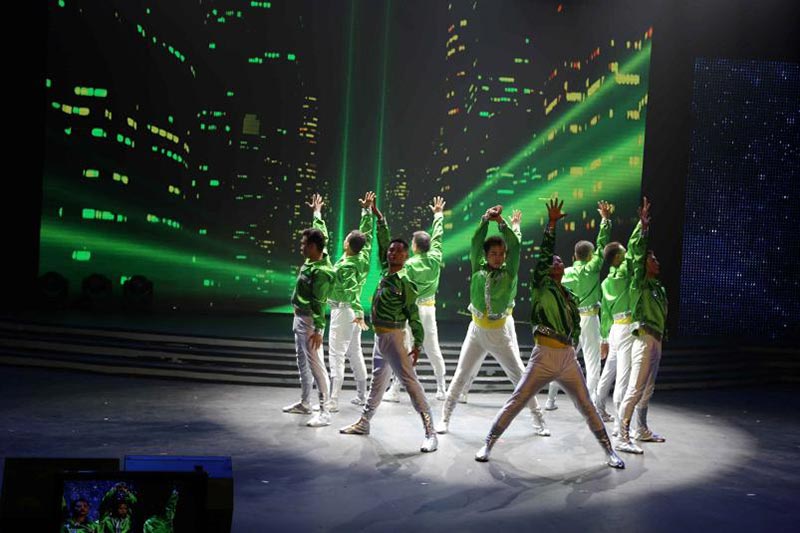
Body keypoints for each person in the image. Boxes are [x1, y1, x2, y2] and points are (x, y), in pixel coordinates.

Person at [474, 199, 624, 469]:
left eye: (559, 261)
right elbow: (545, 254)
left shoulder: (569, 295)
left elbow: (574, 324)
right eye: (553, 261)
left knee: (586, 405)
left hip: (567, 357)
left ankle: (609, 451)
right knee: (517, 400)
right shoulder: (541, 286)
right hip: (543, 355)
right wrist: (552, 225)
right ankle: (488, 442)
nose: (556, 262)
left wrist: (572, 343)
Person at [437, 205, 548, 436]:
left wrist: (504, 224)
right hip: (476, 332)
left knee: (519, 376)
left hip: (499, 335)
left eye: (501, 254)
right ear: (486, 255)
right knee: (460, 376)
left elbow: (515, 246)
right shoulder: (477, 266)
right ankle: (444, 419)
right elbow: (476, 242)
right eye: (493, 254)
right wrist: (486, 220)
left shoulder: (509, 272)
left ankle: (539, 420)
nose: (498, 257)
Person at [339, 200, 438, 452]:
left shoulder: (405, 282)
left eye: (398, 251)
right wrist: (379, 218)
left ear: (406, 256)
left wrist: (417, 344)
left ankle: (430, 432)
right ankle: (364, 422)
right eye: (391, 251)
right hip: (380, 338)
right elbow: (383, 242)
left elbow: (414, 316)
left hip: (395, 338)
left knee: (410, 382)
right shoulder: (386, 271)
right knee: (378, 382)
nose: (392, 253)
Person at [545, 201, 611, 410]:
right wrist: (605, 220)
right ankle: (588, 405)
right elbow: (602, 245)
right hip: (589, 319)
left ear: (574, 257)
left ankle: (550, 400)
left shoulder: (567, 273)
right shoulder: (592, 269)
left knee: (563, 361)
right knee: (593, 365)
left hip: (570, 320)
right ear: (590, 257)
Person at [615, 197, 668, 454]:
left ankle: (641, 429)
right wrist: (643, 227)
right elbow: (636, 254)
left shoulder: (658, 287)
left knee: (647, 389)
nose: (657, 261)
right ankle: (622, 436)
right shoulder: (640, 283)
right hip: (644, 337)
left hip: (657, 338)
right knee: (635, 388)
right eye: (652, 258)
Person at [384, 196, 448, 402]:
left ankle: (395, 390)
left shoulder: (409, 265)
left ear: (415, 246)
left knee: (405, 349)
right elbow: (438, 236)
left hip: (413, 311)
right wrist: (438, 215)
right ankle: (441, 388)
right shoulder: (436, 257)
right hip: (429, 309)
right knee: (433, 348)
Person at [282, 193, 334, 427]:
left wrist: (319, 330)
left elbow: (318, 302)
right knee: (302, 362)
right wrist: (317, 213)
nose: (301, 246)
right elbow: (321, 233)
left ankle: (325, 411)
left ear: (313, 247)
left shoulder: (321, 271)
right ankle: (305, 403)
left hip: (310, 322)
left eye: (304, 244)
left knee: (316, 365)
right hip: (299, 318)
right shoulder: (316, 257)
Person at [322, 192, 376, 411]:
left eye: (345, 239)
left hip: (345, 311)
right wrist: (367, 211)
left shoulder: (346, 266)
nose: (344, 240)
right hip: (352, 312)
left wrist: (359, 311)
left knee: (336, 354)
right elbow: (367, 236)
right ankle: (362, 396)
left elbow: (352, 290)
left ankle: (333, 401)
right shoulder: (363, 256)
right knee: (354, 352)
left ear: (347, 245)